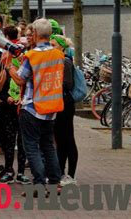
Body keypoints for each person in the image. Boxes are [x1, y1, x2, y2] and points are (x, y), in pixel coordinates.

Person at [4, 18, 64, 197]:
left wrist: (9, 68)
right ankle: (54, 182)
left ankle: (39, 184)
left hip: (32, 106)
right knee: (48, 146)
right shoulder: (58, 54)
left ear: (36, 34)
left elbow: (20, 79)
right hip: (51, 107)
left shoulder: (32, 55)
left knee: (31, 147)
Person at [0, 26, 30, 185]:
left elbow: (27, 82)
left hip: (22, 106)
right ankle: (9, 169)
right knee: (8, 140)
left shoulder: (25, 65)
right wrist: (7, 97)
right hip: (8, 107)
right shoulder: (5, 64)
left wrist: (21, 97)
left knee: (22, 141)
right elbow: (0, 85)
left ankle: (21, 172)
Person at [50, 34, 78, 186]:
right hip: (58, 103)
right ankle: (60, 173)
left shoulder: (65, 61)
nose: (51, 48)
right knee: (60, 140)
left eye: (53, 45)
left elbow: (67, 83)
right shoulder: (56, 60)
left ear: (61, 47)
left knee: (68, 139)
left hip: (65, 105)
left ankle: (71, 175)